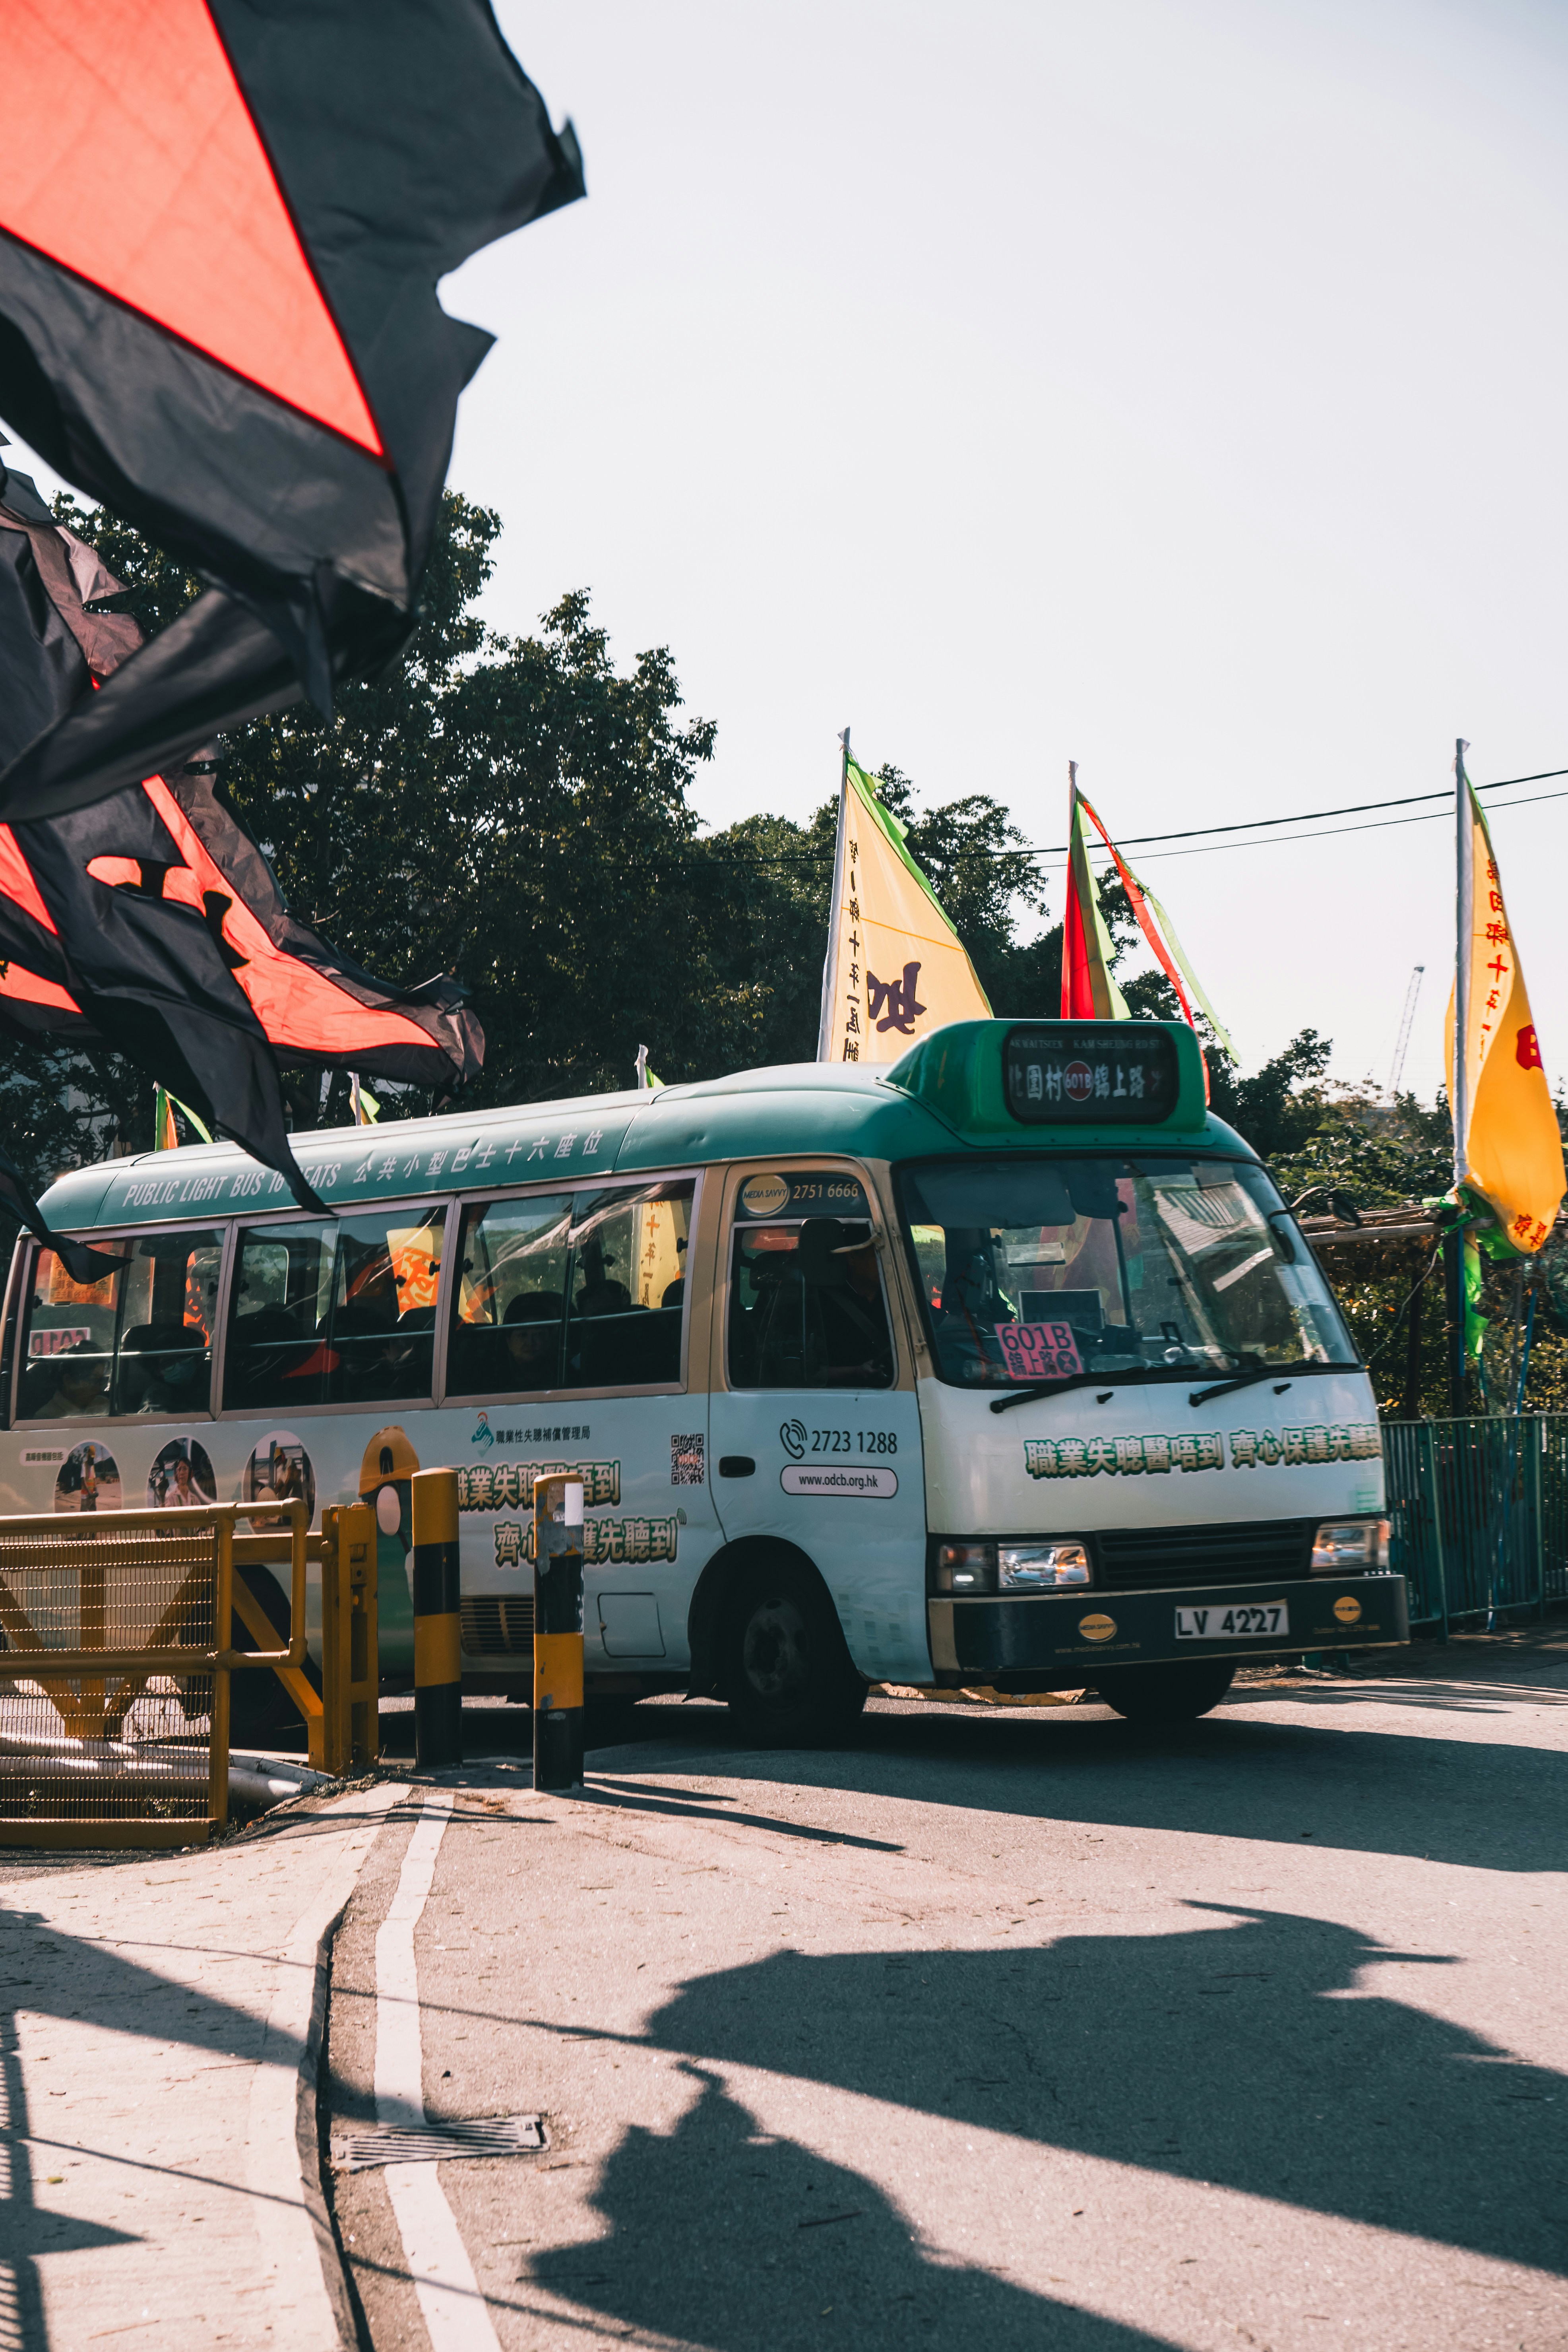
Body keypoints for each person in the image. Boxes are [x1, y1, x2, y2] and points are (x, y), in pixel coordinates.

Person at [34, 1341, 110, 1418]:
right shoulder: (47, 1417)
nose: (98, 1388)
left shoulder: (103, 1405)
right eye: (93, 1380)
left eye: (101, 1380)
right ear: (69, 1381)